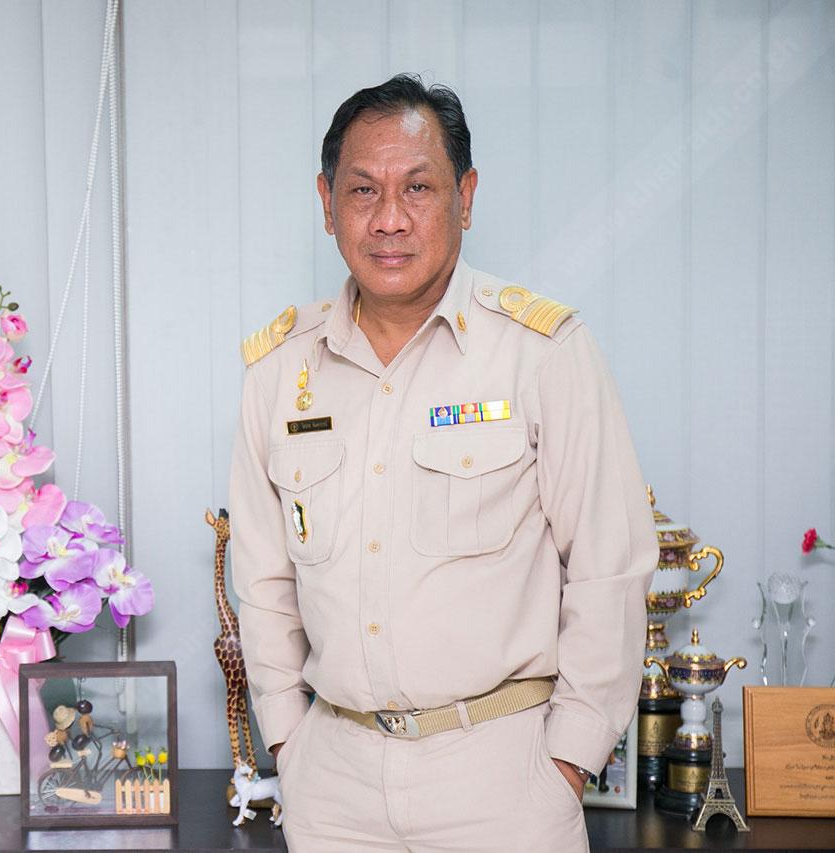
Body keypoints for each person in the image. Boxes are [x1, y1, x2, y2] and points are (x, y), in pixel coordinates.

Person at [229, 73, 656, 852]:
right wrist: (290, 742)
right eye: (363, 190)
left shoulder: (541, 353)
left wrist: (569, 759)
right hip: (334, 786)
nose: (389, 218)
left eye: (417, 187)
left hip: (504, 780)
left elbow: (611, 563)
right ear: (326, 202)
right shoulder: (279, 372)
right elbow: (262, 583)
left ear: (465, 196)